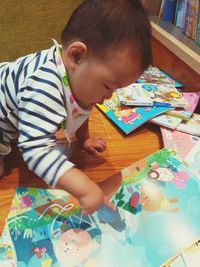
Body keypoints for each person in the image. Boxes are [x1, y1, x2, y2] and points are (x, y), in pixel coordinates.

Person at [0, 0, 152, 215]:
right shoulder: (44, 86)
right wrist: (86, 188)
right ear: (76, 56)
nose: (109, 96)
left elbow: (80, 106)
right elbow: (35, 149)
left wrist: (84, 139)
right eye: (108, 86)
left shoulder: (76, 78)